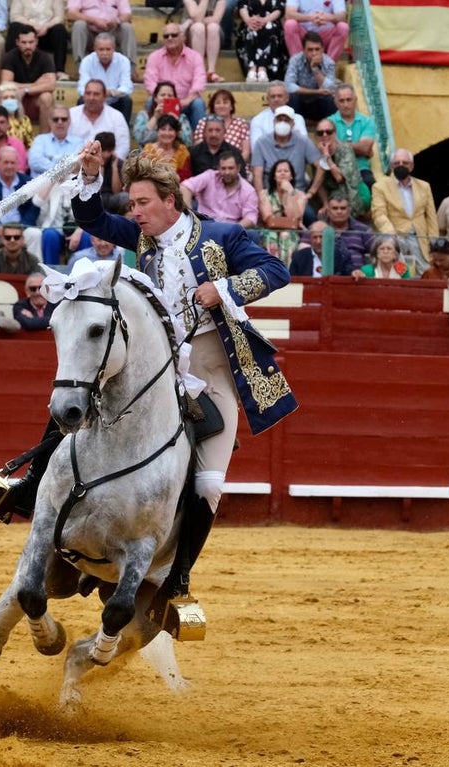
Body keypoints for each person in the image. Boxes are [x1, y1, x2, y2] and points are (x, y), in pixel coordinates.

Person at [34, 142, 298, 634]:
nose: (133, 214)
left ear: (170, 201)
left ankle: (177, 582)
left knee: (209, 483)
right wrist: (90, 177)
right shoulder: (143, 240)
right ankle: (27, 485)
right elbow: (92, 219)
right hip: (157, 370)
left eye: (141, 204)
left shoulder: (222, 235)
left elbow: (276, 270)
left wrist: (224, 289)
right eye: (130, 205)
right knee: (77, 398)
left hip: (213, 375)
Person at [370, 148, 438, 277]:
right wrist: (390, 233)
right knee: (399, 275)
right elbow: (378, 213)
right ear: (391, 166)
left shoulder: (424, 186)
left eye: (405, 163)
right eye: (397, 163)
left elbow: (431, 217)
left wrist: (434, 244)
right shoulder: (379, 187)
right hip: (396, 240)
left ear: (411, 166)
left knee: (426, 275)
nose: (401, 166)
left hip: (420, 241)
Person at [0, 146, 44, 259]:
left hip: (21, 228)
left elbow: (33, 209)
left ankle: (35, 273)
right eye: (5, 162)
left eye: (12, 163)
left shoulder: (26, 181)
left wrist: (21, 227)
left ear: (17, 164)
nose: (9, 166)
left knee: (35, 234)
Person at [144, 22, 207, 130]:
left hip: (186, 102)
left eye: (174, 35)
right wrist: (165, 101)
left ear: (183, 37)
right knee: (150, 101)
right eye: (166, 36)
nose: (169, 38)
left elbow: (199, 82)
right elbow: (150, 83)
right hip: (162, 102)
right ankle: (151, 140)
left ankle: (199, 142)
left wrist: (186, 101)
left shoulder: (195, 56)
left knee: (198, 103)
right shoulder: (154, 57)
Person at [250, 105, 320, 194]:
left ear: (293, 124)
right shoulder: (262, 142)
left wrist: (311, 191)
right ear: (274, 122)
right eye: (279, 120)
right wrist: (261, 197)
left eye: (286, 121)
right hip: (271, 195)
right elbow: (257, 174)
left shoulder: (303, 141)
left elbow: (320, 165)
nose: (282, 123)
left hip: (297, 194)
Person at [1, 24, 56, 131]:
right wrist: (37, 84)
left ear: (36, 42)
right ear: (17, 42)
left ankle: (44, 139)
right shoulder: (9, 57)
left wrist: (25, 90)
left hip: (35, 101)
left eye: (31, 42)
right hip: (15, 100)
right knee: (6, 96)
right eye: (24, 42)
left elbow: (51, 85)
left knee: (47, 97)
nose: (28, 46)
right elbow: (5, 84)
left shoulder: (45, 58)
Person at [181, 151, 258, 227]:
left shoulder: (248, 191)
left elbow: (250, 218)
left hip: (230, 231)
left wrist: (234, 230)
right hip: (204, 226)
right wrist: (190, 217)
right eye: (223, 168)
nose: (227, 172)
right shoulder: (209, 176)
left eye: (231, 168)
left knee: (253, 235)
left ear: (238, 168)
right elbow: (185, 187)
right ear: (218, 168)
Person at [306, 116, 362, 216]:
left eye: (328, 132)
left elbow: (339, 178)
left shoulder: (345, 149)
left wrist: (327, 157)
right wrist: (325, 203)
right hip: (328, 193)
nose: (324, 135)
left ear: (335, 133)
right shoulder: (316, 152)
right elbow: (319, 183)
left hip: (348, 191)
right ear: (316, 136)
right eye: (320, 133)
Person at [75, 32, 131, 123]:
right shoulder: (87, 61)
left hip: (114, 99)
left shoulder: (123, 61)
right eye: (101, 49)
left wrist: (113, 93)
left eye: (108, 49)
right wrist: (99, 94)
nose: (105, 53)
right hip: (93, 100)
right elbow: (82, 88)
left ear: (114, 49)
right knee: (82, 100)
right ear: (95, 49)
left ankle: (123, 133)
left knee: (126, 101)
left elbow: (127, 86)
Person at [257, 158, 304, 265]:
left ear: (291, 176)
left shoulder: (300, 195)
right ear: (274, 176)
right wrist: (290, 222)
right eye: (279, 171)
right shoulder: (264, 194)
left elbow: (295, 217)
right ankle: (273, 272)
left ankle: (285, 274)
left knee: (286, 235)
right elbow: (268, 219)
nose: (282, 173)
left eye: (286, 171)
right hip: (268, 231)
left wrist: (289, 192)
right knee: (272, 235)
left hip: (291, 233)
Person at [329, 83, 377, 188]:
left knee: (371, 186)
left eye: (349, 100)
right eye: (341, 101)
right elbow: (330, 148)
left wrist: (339, 144)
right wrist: (358, 147)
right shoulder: (329, 122)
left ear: (355, 100)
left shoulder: (367, 121)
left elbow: (364, 148)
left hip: (361, 169)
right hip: (337, 168)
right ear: (335, 103)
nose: (346, 104)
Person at [68, 79, 128, 160]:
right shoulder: (71, 114)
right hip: (74, 167)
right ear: (83, 96)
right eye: (88, 93)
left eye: (96, 94)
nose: (91, 98)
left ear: (104, 97)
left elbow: (123, 148)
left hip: (106, 167)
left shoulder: (116, 117)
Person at [283, 31, 335, 122]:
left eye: (317, 49)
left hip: (318, 103)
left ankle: (326, 125)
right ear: (304, 50)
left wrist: (315, 69)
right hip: (301, 102)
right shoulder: (295, 60)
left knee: (331, 99)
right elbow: (289, 86)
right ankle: (299, 123)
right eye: (310, 50)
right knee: (291, 97)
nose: (314, 53)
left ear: (322, 49)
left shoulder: (329, 62)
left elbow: (330, 89)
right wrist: (316, 92)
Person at [8, 0, 69, 77]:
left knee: (60, 29)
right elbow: (15, 16)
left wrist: (47, 26)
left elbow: (59, 17)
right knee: (14, 27)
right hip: (26, 31)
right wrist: (32, 26)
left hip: (47, 32)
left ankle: (59, 70)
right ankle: (10, 69)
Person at [68, 0, 136, 68]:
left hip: (112, 31)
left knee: (127, 27)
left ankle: (130, 69)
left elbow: (127, 14)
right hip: (90, 32)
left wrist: (117, 21)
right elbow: (72, 14)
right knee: (79, 25)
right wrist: (94, 21)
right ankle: (80, 67)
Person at [322, 192, 374, 275]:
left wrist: (367, 271)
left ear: (349, 210)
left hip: (357, 280)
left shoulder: (363, 230)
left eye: (343, 208)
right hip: (324, 278)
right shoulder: (317, 229)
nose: (339, 212)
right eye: (335, 208)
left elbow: (378, 251)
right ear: (328, 210)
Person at [236, 0, 287, 83]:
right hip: (250, 23)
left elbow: (279, 10)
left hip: (271, 22)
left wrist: (265, 20)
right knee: (250, 31)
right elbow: (242, 7)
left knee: (270, 28)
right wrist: (248, 21)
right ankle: (252, 69)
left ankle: (262, 69)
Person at [194, 89, 250, 163]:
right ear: (213, 107)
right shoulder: (203, 122)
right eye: (218, 103)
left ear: (231, 106)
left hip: (235, 167)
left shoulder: (241, 124)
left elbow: (246, 152)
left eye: (225, 102)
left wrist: (235, 166)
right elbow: (198, 150)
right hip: (207, 165)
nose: (221, 106)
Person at [132, 81, 193, 148]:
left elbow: (188, 142)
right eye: (162, 95)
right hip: (149, 155)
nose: (166, 98)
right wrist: (155, 117)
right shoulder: (143, 116)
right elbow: (140, 139)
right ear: (155, 98)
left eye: (170, 95)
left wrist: (176, 121)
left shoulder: (182, 118)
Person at [283, 0, 347, 62]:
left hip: (326, 35)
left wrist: (327, 17)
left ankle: (328, 66)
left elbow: (342, 16)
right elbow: (289, 14)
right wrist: (310, 18)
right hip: (304, 34)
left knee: (343, 27)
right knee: (290, 24)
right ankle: (299, 66)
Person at [29, 105, 84, 176]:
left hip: (69, 185)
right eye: (56, 119)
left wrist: (51, 160)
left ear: (69, 121)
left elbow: (77, 164)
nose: (60, 122)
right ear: (49, 121)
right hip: (41, 186)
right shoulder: (40, 140)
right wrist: (62, 167)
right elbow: (35, 162)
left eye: (64, 119)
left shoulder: (78, 142)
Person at [183, 0, 224, 84]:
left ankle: (211, 71)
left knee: (213, 27)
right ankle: (200, 71)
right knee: (198, 27)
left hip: (214, 35)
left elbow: (216, 19)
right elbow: (197, 18)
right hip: (192, 35)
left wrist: (197, 21)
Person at [142, 114, 190, 182]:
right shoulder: (148, 150)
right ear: (157, 131)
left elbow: (185, 178)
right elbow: (143, 175)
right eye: (163, 129)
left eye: (170, 129)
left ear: (176, 133)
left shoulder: (182, 151)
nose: (166, 133)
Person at [0, 80, 34, 148]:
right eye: (5, 98)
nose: (9, 100)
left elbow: (30, 145)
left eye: (12, 97)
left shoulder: (25, 120)